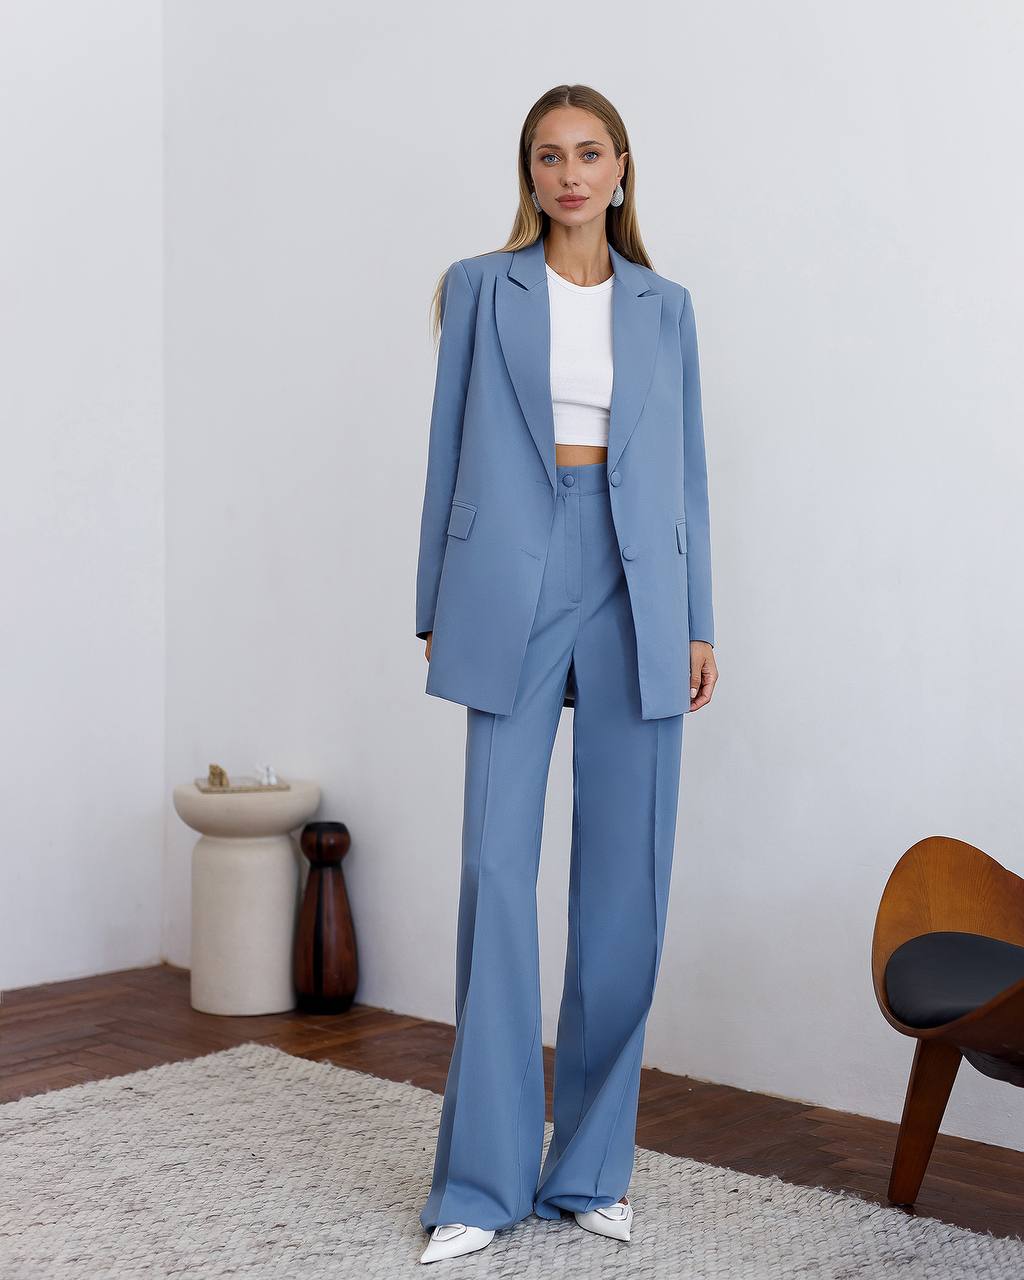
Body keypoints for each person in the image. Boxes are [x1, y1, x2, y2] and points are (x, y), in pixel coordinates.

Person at [414, 83, 718, 1264]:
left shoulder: (667, 306)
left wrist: (698, 618)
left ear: (623, 168)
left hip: (639, 582)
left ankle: (588, 1168)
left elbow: (688, 470)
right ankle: (479, 1184)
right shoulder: (480, 288)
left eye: (589, 153)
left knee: (624, 888)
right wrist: (435, 602)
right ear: (528, 175)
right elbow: (446, 445)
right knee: (496, 867)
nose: (570, 173)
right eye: (549, 155)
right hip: (509, 581)